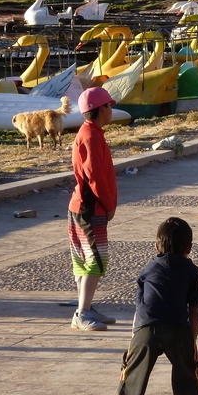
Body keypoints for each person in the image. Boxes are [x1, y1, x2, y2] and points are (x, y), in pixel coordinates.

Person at [101, 216, 198, 395]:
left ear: (156, 247)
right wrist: (191, 346)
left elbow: (139, 312)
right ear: (189, 248)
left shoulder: (147, 270)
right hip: (178, 329)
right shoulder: (192, 272)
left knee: (132, 381)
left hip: (145, 330)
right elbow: (194, 314)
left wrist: (133, 346)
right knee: (187, 382)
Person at [69, 87, 119, 331]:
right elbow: (95, 176)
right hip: (90, 208)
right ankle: (83, 312)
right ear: (100, 109)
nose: (111, 109)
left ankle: (85, 306)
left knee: (84, 260)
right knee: (96, 261)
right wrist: (109, 205)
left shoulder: (91, 132)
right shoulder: (91, 136)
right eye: (109, 105)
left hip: (81, 206)